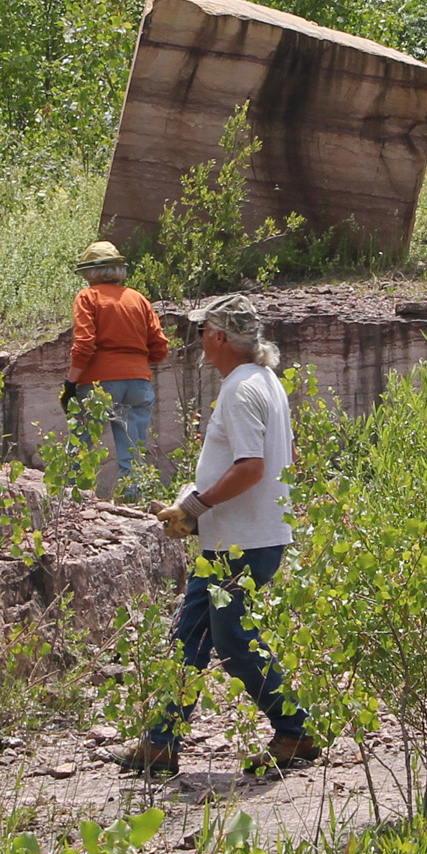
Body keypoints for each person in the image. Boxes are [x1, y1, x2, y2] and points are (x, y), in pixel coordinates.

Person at [112, 294, 320, 778]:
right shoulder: (262, 381)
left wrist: (195, 506)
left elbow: (252, 467)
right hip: (236, 536)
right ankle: (161, 742)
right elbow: (276, 455)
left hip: (242, 542)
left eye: (204, 329)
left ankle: (294, 729)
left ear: (220, 336)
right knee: (190, 637)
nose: (198, 338)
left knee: (232, 643)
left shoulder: (242, 389)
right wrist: (197, 503)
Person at [64, 241, 170, 499]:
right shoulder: (138, 299)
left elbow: (84, 345)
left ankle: (72, 503)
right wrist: (134, 363)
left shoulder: (88, 297)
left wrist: (70, 385)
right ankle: (133, 506)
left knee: (81, 449)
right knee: (133, 454)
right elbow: (160, 347)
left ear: (90, 272)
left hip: (99, 384)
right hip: (139, 384)